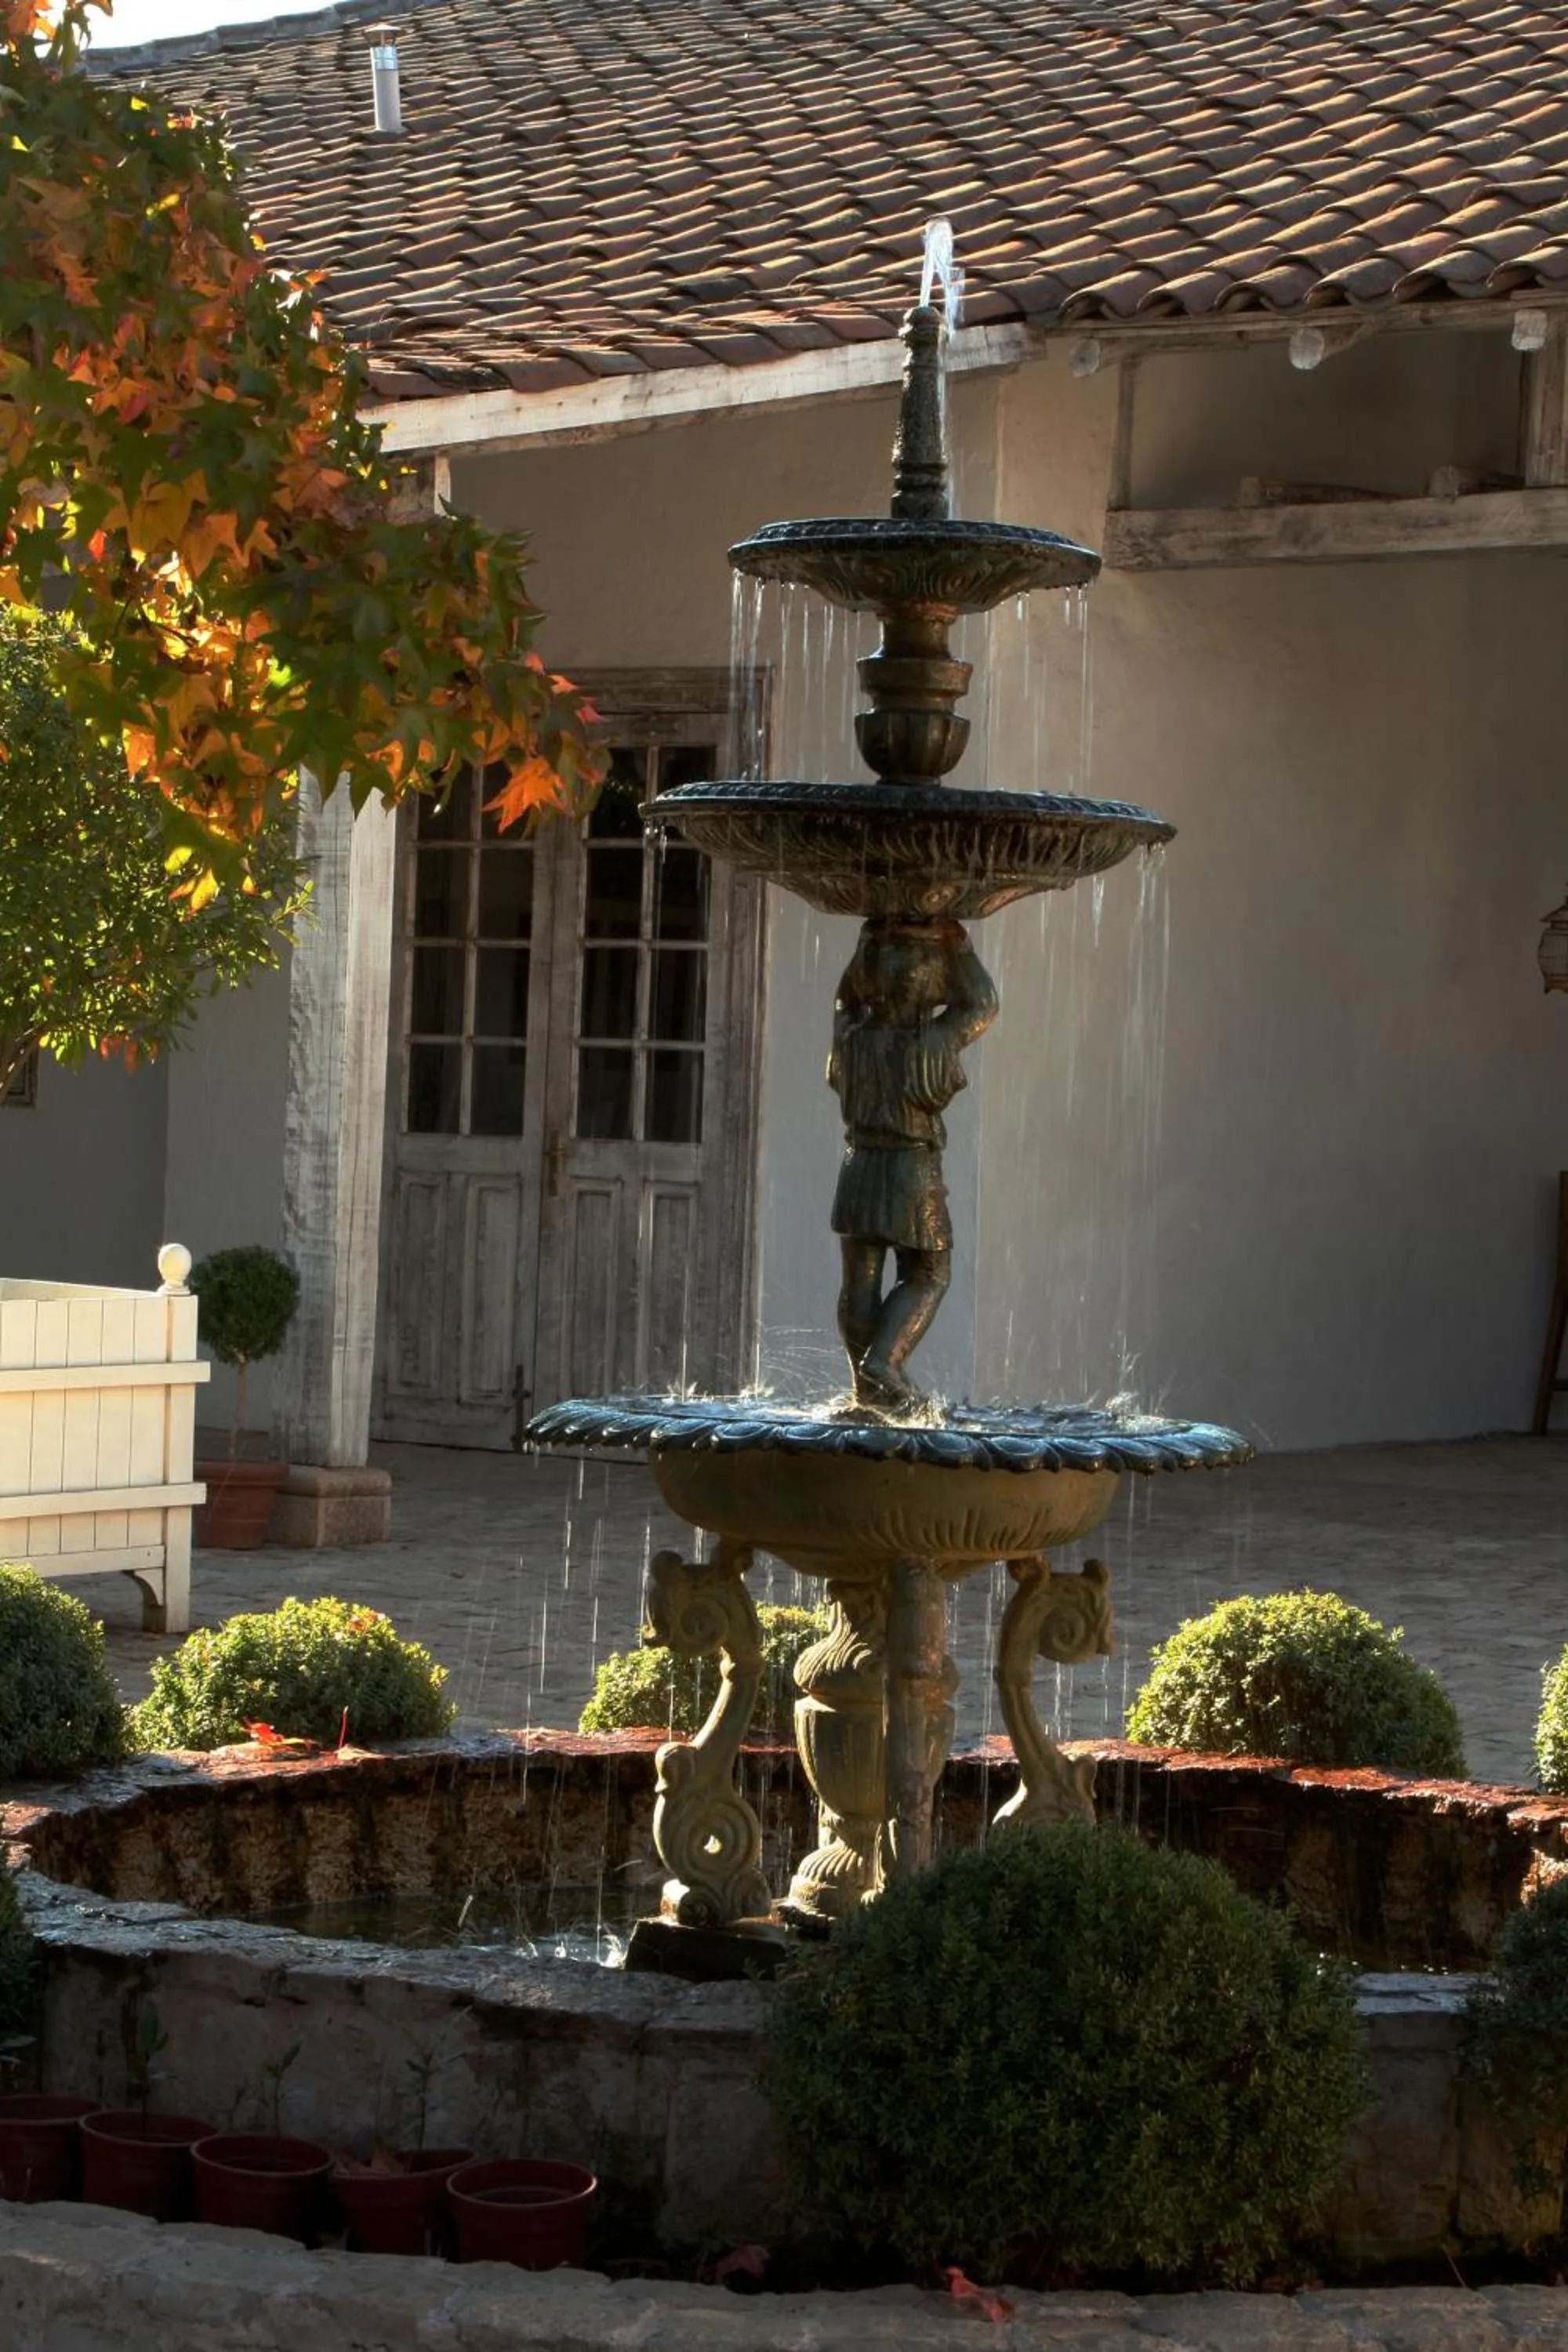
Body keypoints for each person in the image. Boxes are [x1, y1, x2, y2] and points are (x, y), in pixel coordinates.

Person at [827, 916, 998, 1413]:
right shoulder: (932, 1041)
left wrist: (867, 948)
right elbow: (984, 1003)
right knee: (930, 1272)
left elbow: (844, 998)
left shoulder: (852, 1038)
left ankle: (866, 1393)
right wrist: (959, 948)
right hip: (910, 1167)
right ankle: (884, 1362)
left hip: (857, 1164)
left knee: (860, 1282)